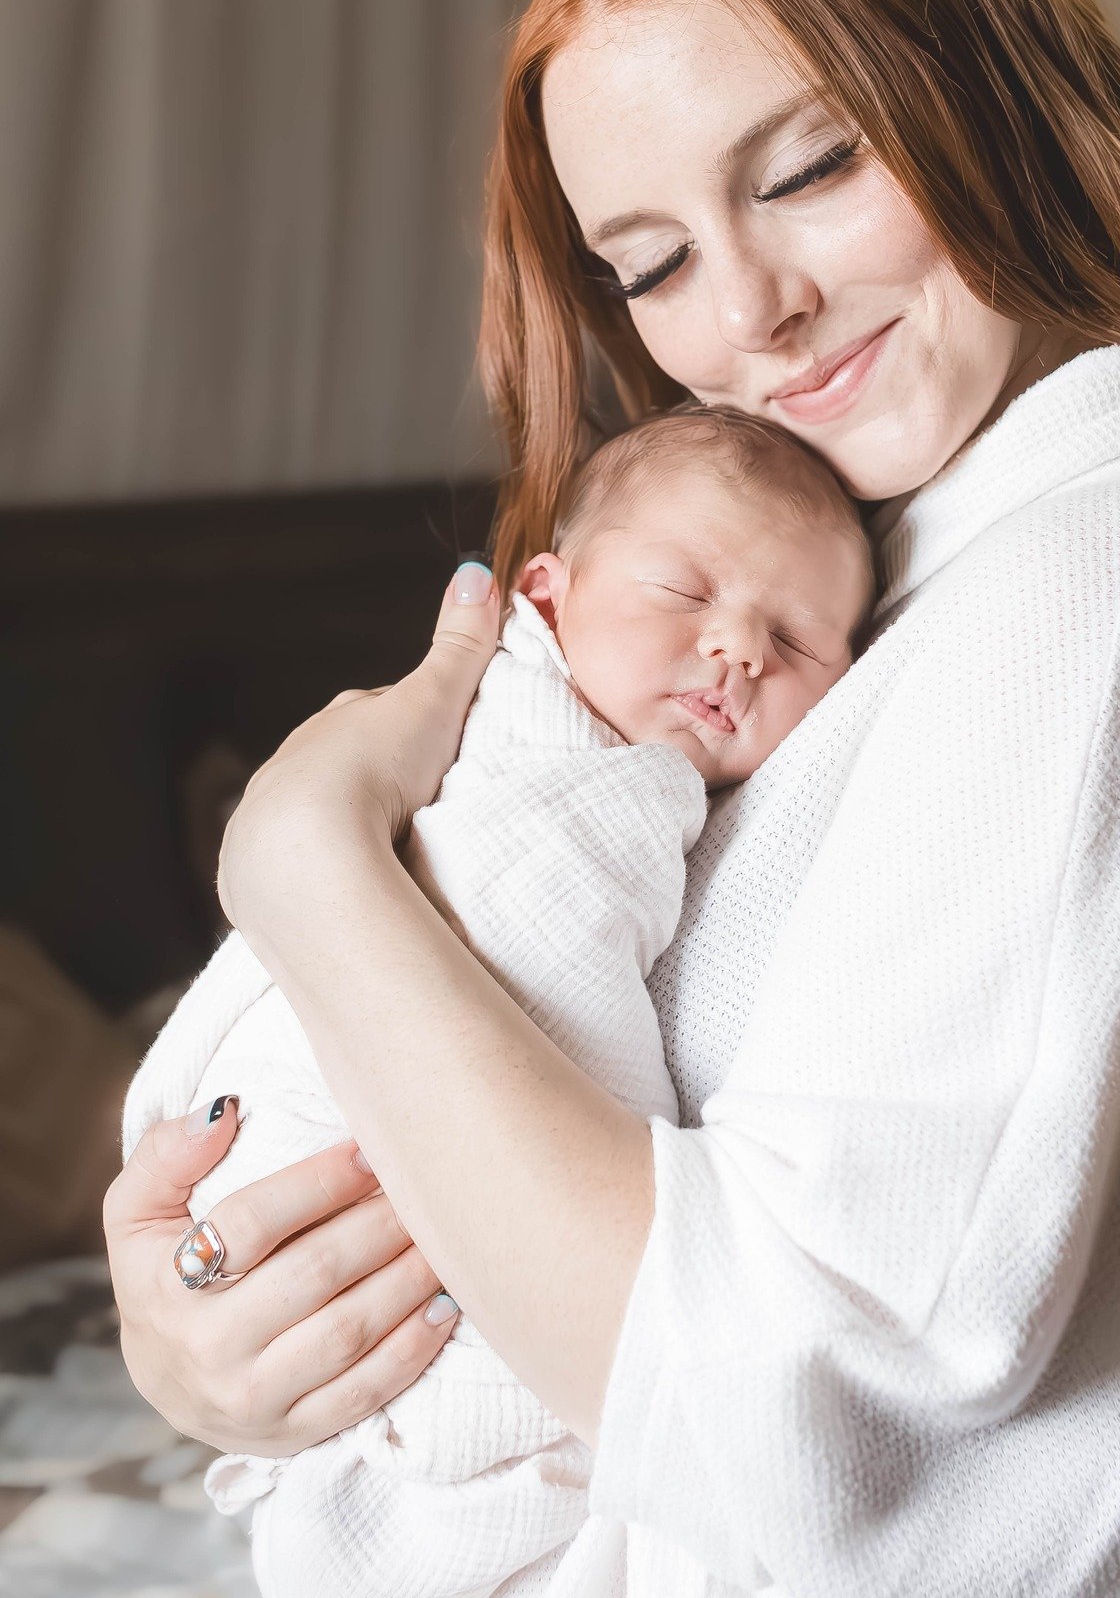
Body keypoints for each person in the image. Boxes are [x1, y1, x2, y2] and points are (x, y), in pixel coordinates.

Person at [103, 0, 1120, 1596]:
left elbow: (788, 1410)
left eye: (809, 167)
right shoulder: (905, 566)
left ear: (992, 87)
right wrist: (212, 1338)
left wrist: (308, 866)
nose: (754, 314)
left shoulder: (1106, 589)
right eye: (656, 261)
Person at [120, 406, 874, 1597]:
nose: (737, 648)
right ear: (544, 592)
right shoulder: (512, 750)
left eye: (797, 639)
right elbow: (513, 926)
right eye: (683, 591)